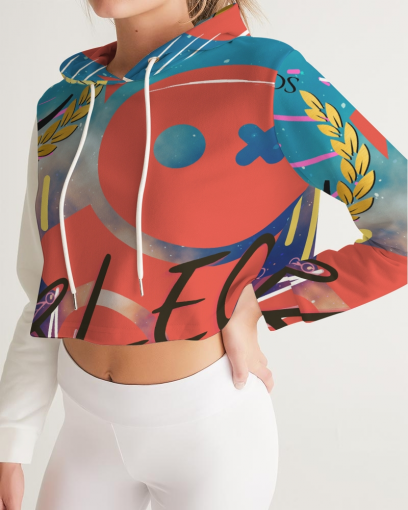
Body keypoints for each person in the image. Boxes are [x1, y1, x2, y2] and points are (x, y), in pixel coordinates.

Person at [0, 0, 406, 509]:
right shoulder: (64, 104)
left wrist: (264, 302)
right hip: (83, 433)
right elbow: (43, 290)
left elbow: (401, 230)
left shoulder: (268, 77)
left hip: (210, 435)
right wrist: (12, 437)